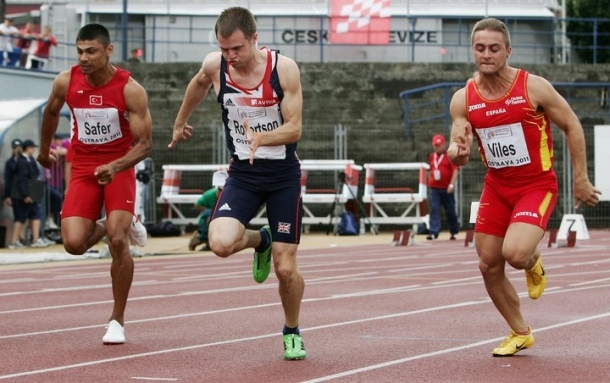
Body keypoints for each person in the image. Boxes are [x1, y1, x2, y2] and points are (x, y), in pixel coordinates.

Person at [447, 17, 601, 357]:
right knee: (488, 264)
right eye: (480, 48)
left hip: (536, 185)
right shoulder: (463, 99)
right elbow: (458, 153)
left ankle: (533, 261)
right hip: (496, 188)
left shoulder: (534, 88)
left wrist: (581, 177)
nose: (486, 54)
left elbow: (572, 125)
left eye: (494, 48)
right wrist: (456, 153)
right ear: (473, 50)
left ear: (508, 51)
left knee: (514, 254)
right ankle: (520, 331)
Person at [169, 7, 306, 360]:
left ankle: (291, 330)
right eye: (224, 49)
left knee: (285, 267)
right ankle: (261, 238)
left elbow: (295, 128)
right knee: (219, 243)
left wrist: (264, 137)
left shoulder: (282, 69)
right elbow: (199, 83)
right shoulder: (216, 65)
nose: (230, 56)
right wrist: (180, 121)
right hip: (243, 175)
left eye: (237, 49)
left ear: (254, 39)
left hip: (281, 175)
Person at [37, 23, 152, 345]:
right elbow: (50, 112)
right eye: (80, 51)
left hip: (119, 167)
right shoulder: (66, 80)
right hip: (86, 167)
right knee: (74, 244)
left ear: (108, 51)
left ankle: (117, 319)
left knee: (117, 241)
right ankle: (123, 221)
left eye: (91, 51)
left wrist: (115, 165)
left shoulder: (130, 89)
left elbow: (144, 144)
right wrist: (45, 149)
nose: (84, 58)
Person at [9, 139, 49, 248]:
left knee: (35, 214)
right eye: (32, 147)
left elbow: (35, 173)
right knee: (20, 217)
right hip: (22, 194)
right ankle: (14, 241)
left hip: (31, 192)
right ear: (28, 148)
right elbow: (21, 179)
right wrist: (25, 195)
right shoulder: (22, 161)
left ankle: (35, 239)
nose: (34, 150)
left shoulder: (30, 160)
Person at [426, 134, 459, 240]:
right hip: (435, 188)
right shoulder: (432, 156)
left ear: (443, 145)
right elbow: (430, 169)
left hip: (447, 188)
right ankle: (433, 232)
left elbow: (455, 170)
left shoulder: (449, 156)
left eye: (439, 145)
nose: (437, 147)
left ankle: (453, 231)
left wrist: (451, 184)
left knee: (450, 211)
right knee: (434, 209)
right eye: (435, 145)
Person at [188, 170, 227, 251]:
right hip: (208, 216)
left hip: (221, 216)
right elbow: (197, 205)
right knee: (209, 215)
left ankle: (209, 241)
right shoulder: (209, 195)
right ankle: (202, 238)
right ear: (218, 190)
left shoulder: (228, 197)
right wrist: (207, 210)